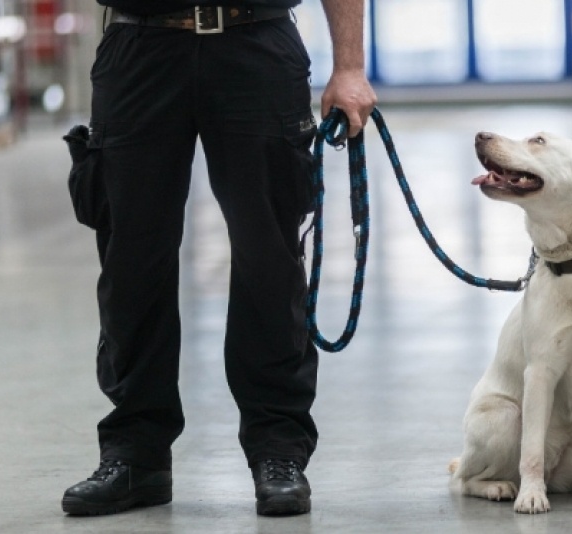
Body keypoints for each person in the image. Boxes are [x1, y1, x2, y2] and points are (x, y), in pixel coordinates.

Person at [61, 0, 376, 517]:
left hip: (256, 40)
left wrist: (349, 66)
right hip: (139, 45)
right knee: (131, 261)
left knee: (268, 258)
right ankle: (136, 456)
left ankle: (278, 450)